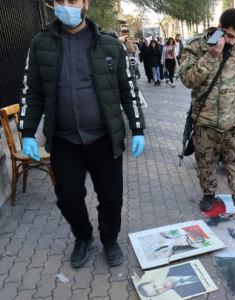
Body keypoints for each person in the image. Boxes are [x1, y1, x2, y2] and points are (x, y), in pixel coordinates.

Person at [19, 0, 146, 268]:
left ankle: (110, 240)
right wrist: (28, 132)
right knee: (67, 197)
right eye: (60, 1)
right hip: (65, 141)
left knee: (110, 198)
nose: (66, 6)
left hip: (104, 139)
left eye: (73, 1)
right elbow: (32, 90)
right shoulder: (41, 44)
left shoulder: (111, 44)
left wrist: (137, 129)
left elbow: (128, 90)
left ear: (85, 3)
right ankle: (83, 236)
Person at [179, 8, 235, 228]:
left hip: (234, 120)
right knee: (205, 163)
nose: (233, 41)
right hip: (205, 121)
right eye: (229, 35)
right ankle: (209, 194)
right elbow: (187, 79)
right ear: (219, 28)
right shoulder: (196, 45)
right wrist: (210, 56)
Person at [137, 263, 206, 298]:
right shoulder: (184, 294)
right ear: (160, 294)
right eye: (157, 291)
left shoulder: (176, 267)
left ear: (153, 280)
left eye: (155, 286)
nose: (161, 288)